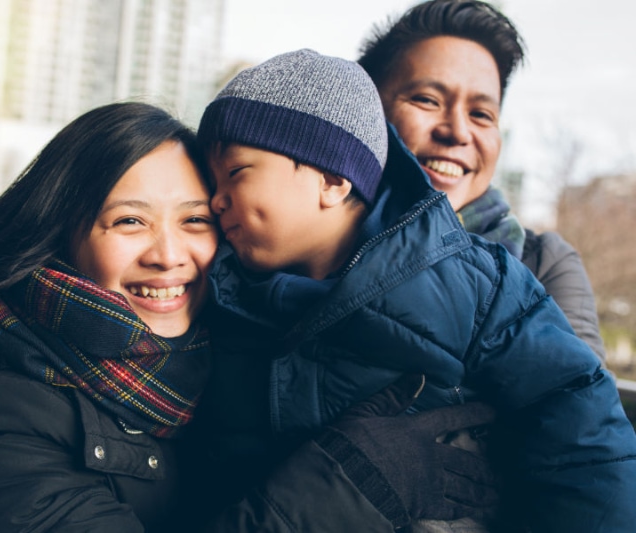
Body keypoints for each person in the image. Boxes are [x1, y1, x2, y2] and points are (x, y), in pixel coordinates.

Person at [0, 102, 496, 532]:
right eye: (128, 222)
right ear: (59, 238)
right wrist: (351, 483)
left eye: (195, 221)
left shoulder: (210, 363)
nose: (169, 256)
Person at [193, 48, 636, 532]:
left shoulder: (474, 281)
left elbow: (577, 425)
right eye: (211, 183)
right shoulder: (222, 299)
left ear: (333, 180)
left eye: (235, 173)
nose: (216, 201)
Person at [357, 0, 606, 361]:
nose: (457, 132)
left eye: (481, 114)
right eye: (427, 100)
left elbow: (580, 405)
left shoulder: (544, 265)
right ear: (368, 111)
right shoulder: (299, 247)